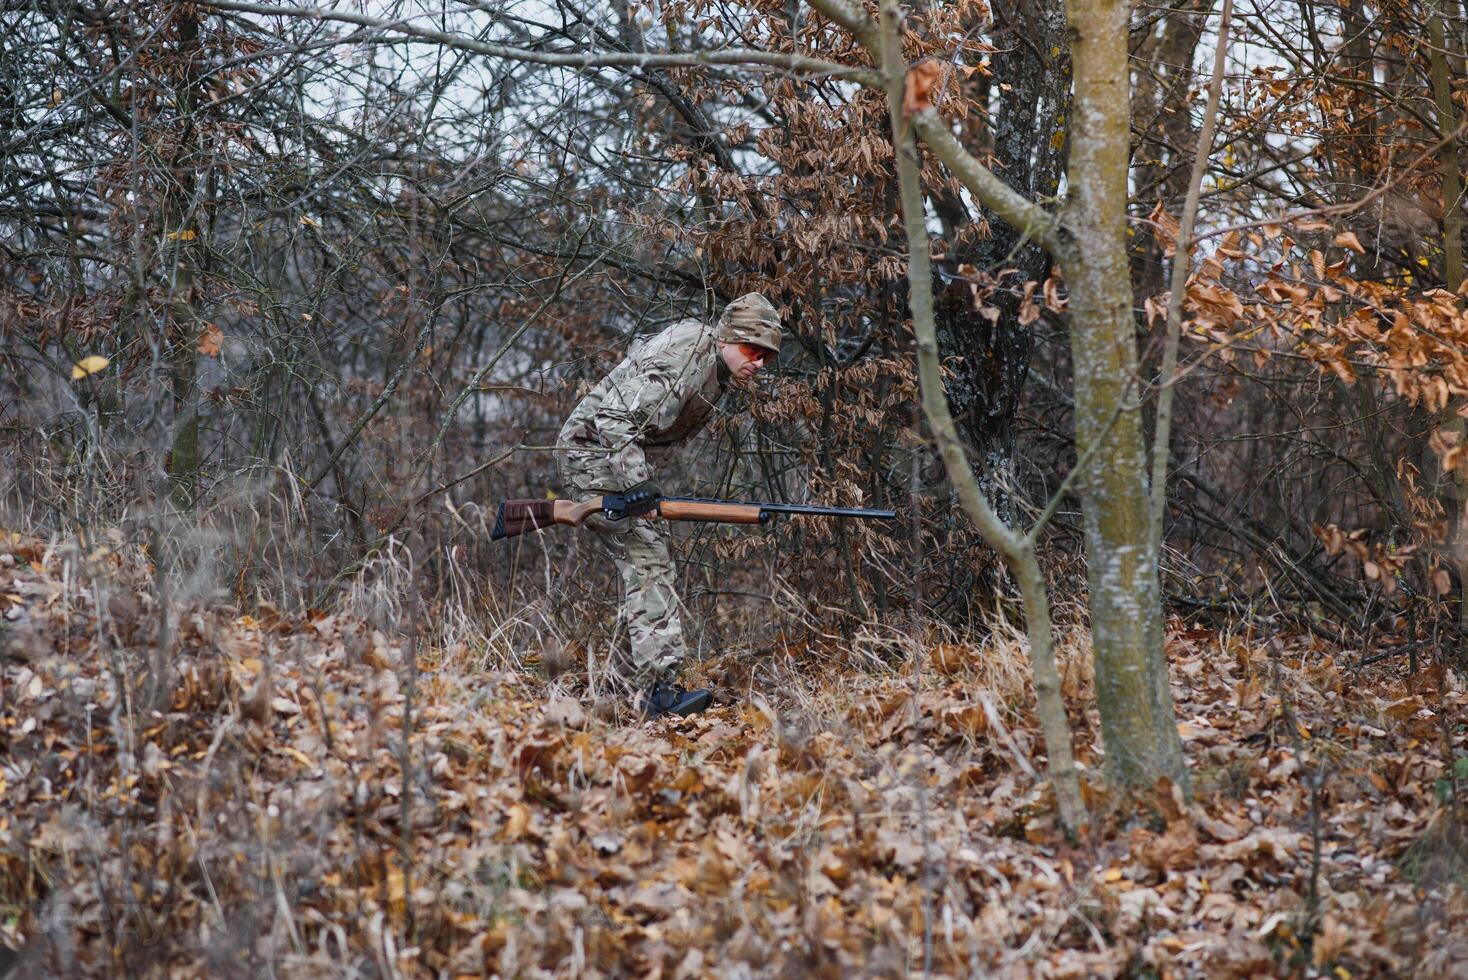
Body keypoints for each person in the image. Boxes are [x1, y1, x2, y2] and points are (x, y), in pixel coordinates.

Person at [556, 293, 782, 717]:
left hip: (610, 454)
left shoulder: (713, 366)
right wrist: (637, 483)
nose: (759, 363)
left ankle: (623, 677)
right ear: (729, 339)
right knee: (648, 560)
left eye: (767, 356)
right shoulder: (687, 354)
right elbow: (612, 418)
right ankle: (658, 693)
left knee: (644, 559)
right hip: (592, 453)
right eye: (753, 350)